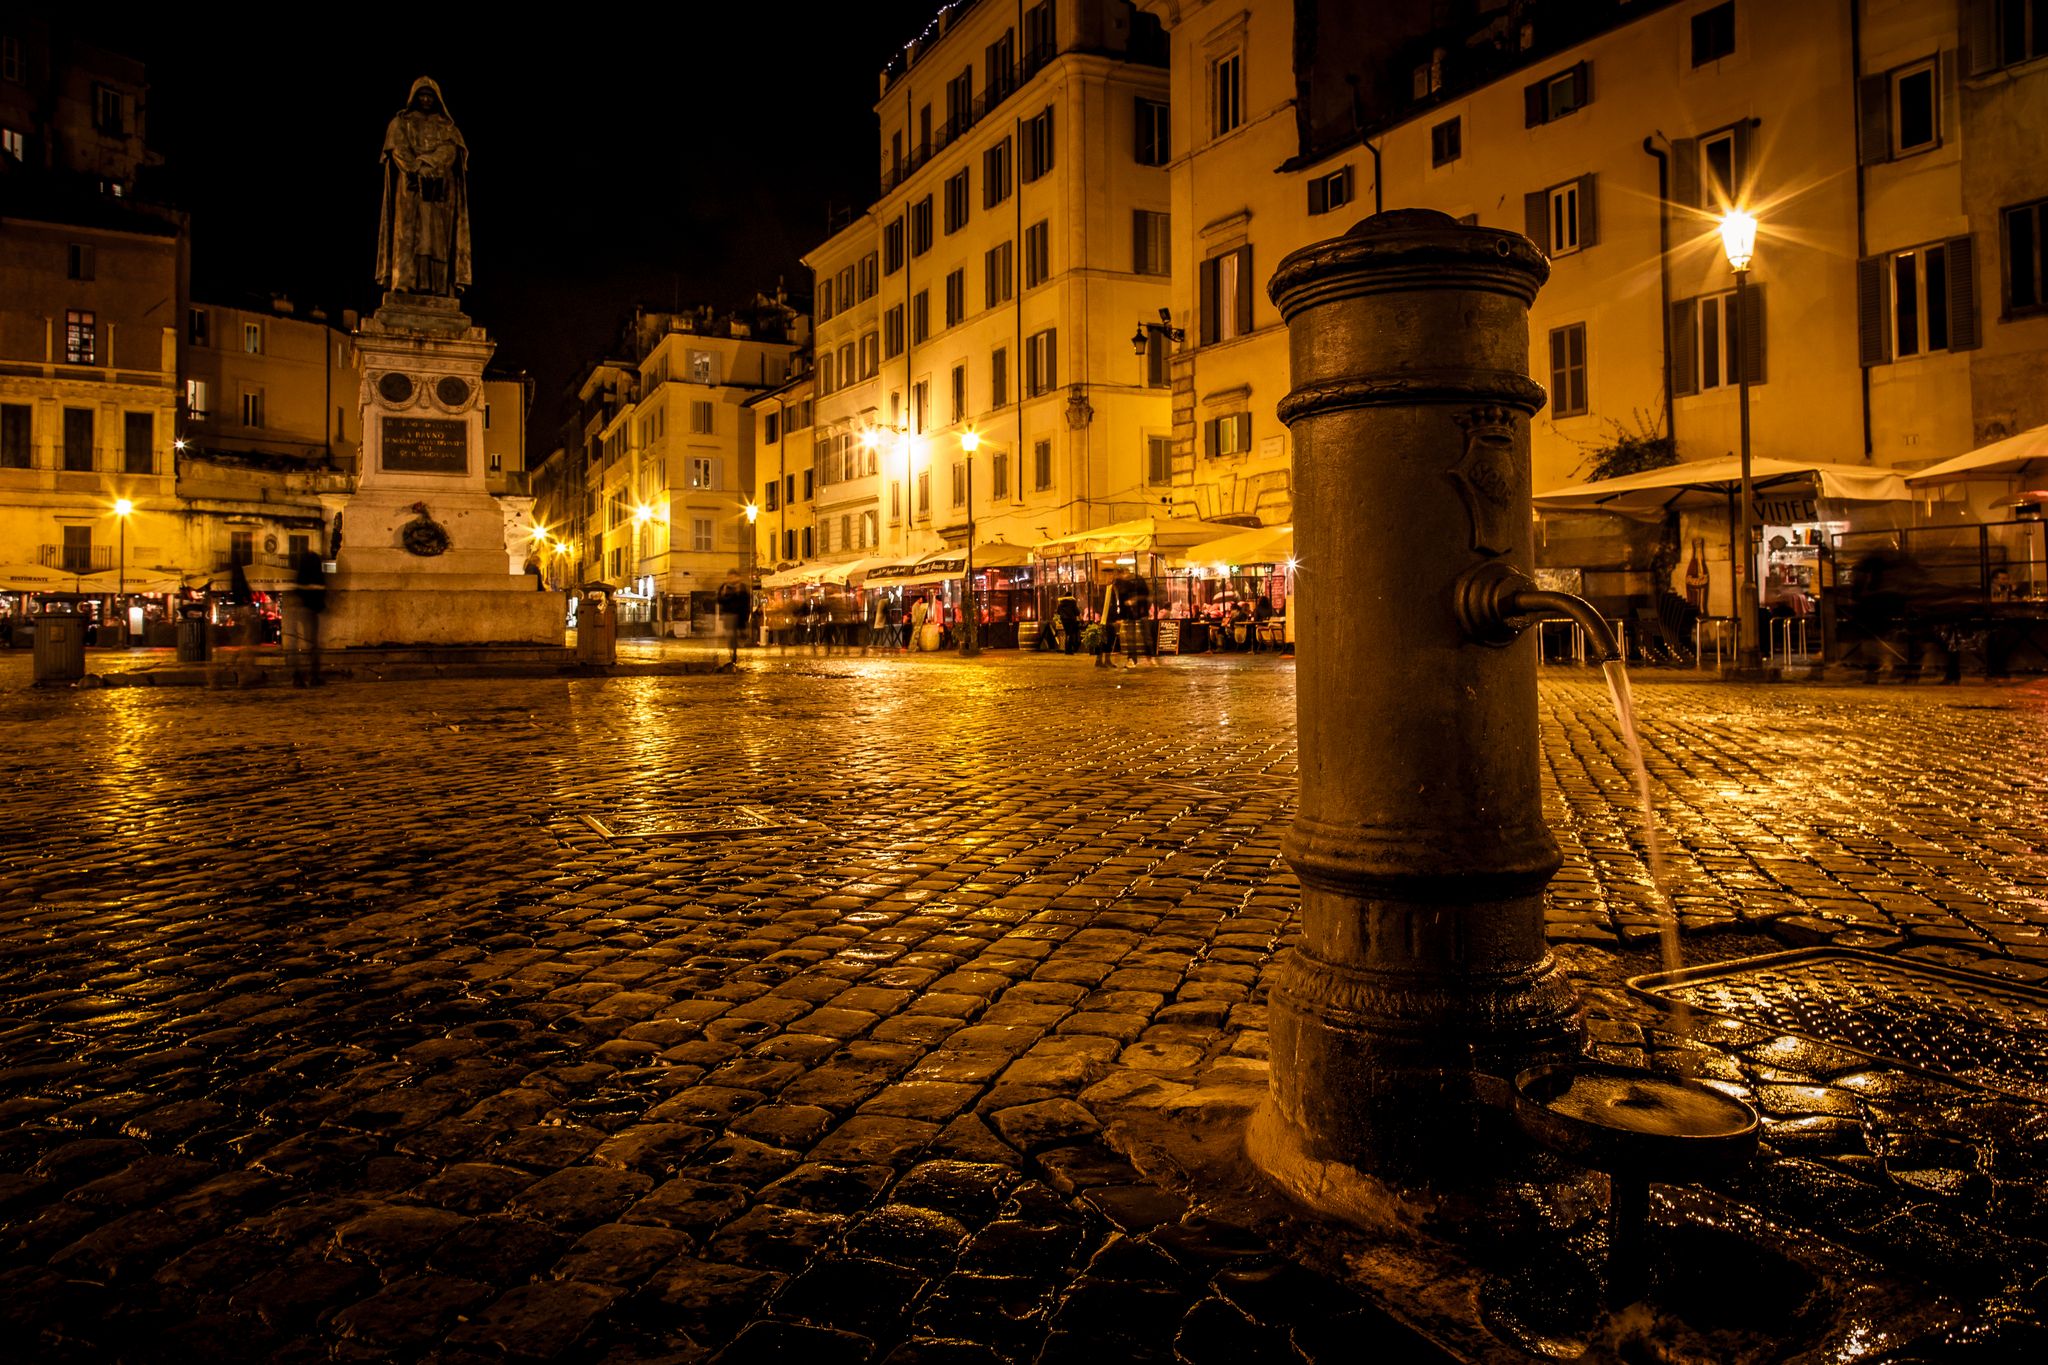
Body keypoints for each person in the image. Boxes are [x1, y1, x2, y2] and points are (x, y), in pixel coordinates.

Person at [376, 77, 471, 297]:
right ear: (415, 97)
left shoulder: (447, 127)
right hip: (409, 190)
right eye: (422, 95)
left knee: (436, 240)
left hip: (439, 193)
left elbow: (451, 150)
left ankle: (437, 286)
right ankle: (404, 283)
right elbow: (397, 148)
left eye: (430, 96)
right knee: (406, 237)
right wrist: (415, 168)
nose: (426, 100)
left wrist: (428, 163)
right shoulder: (400, 123)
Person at [289, 549, 328, 686]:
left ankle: (298, 676)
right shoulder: (317, 574)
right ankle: (314, 676)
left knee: (300, 645)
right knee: (313, 644)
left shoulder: (301, 575)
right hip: (312, 610)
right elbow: (321, 590)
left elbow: (298, 589)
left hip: (301, 608)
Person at [715, 570, 751, 665]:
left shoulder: (742, 587)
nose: (731, 579)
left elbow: (746, 602)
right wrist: (731, 595)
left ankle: (734, 652)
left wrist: (746, 616)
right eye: (730, 577)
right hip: (729, 614)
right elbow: (719, 599)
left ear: (737, 577)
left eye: (733, 577)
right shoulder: (725, 587)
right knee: (731, 636)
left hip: (740, 615)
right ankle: (733, 654)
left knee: (736, 636)